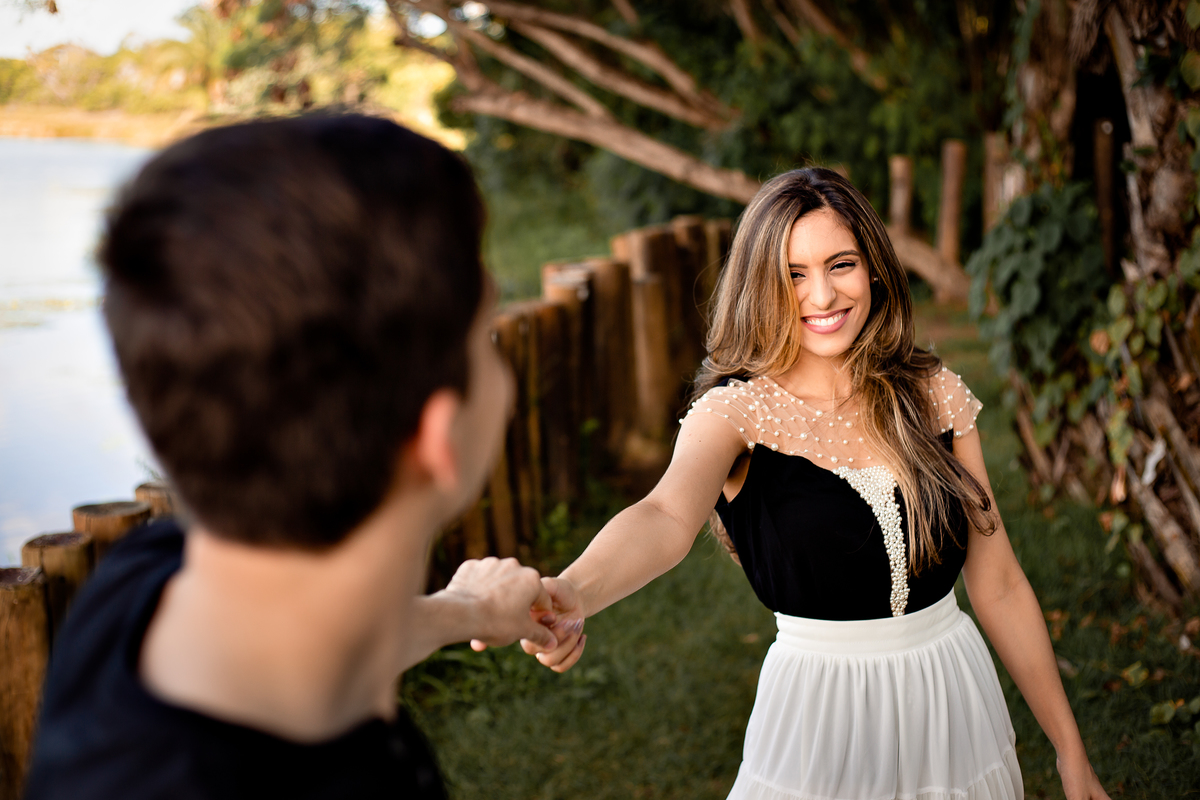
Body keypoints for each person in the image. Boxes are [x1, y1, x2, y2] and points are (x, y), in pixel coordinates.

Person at [524, 168, 1110, 800]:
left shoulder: (933, 392)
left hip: (951, 695)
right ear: (761, 285)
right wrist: (574, 590)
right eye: (794, 274)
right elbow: (665, 516)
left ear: (875, 268)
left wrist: (1072, 757)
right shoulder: (736, 414)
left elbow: (998, 583)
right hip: (820, 708)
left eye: (841, 264)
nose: (823, 296)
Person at [24, 114, 560, 799]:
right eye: (485, 332)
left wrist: (467, 608)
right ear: (438, 437)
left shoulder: (148, 579)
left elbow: (335, 633)